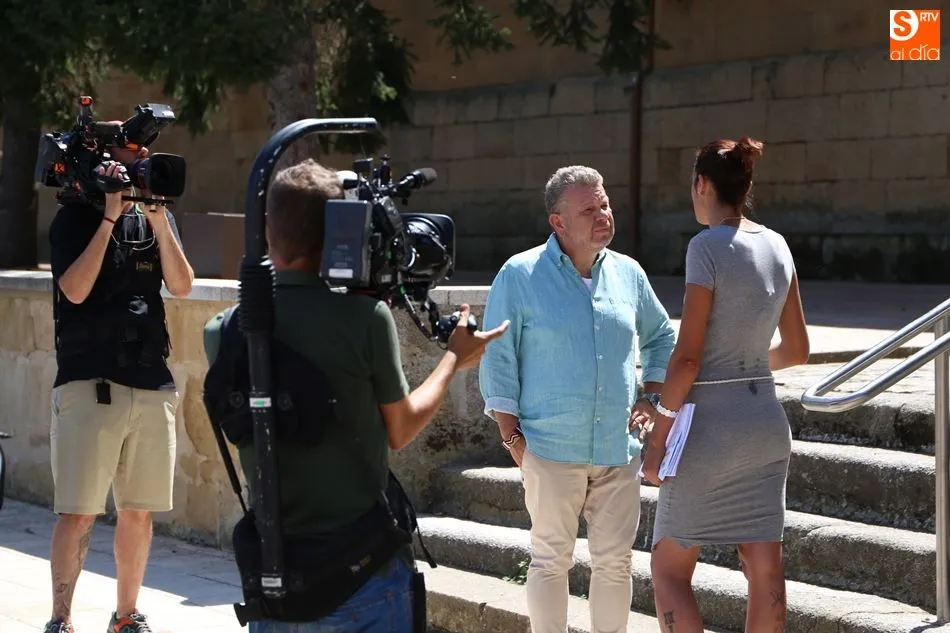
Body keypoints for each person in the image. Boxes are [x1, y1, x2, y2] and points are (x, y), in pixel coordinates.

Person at [201, 158, 508, 633]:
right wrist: (454, 359)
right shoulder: (364, 319)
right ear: (340, 231)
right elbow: (401, 429)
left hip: (277, 581)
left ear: (266, 230)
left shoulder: (222, 333)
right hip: (363, 576)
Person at [478, 165, 677, 633]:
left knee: (615, 564)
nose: (602, 214)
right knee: (550, 561)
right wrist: (512, 440)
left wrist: (652, 394)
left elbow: (661, 337)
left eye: (605, 204)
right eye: (588, 208)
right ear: (558, 221)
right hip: (548, 446)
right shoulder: (520, 274)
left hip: (618, 445)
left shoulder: (628, 273)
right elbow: (498, 358)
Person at [639, 136, 810, 633]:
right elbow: (798, 349)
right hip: (765, 424)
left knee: (669, 568)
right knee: (764, 566)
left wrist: (659, 434)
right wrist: (746, 363)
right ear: (747, 185)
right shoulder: (778, 245)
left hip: (709, 430)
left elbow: (687, 358)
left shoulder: (706, 247)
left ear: (701, 184)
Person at [44, 138, 195, 633]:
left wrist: (156, 221)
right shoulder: (73, 219)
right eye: (130, 161)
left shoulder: (154, 219)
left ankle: (126, 617)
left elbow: (182, 285)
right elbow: (75, 289)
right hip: (91, 382)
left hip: (150, 380)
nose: (138, 171)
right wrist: (109, 219)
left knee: (139, 512)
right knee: (79, 512)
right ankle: (61, 620)